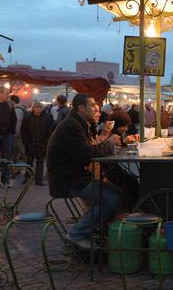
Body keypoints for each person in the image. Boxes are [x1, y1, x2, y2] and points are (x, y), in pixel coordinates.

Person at [46, 94, 121, 249]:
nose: (96, 109)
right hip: (68, 181)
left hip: (76, 177)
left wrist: (106, 141)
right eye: (93, 105)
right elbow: (86, 154)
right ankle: (77, 234)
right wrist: (109, 143)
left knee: (116, 189)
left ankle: (97, 231)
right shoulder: (71, 126)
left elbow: (89, 150)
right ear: (81, 108)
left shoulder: (79, 123)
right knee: (112, 197)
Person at [20, 101, 54, 185]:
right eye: (36, 107)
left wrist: (46, 143)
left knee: (40, 162)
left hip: (41, 144)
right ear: (33, 108)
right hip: (30, 144)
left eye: (39, 107)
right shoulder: (27, 118)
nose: (38, 109)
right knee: (29, 162)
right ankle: (27, 178)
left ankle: (38, 180)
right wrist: (26, 143)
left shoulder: (47, 118)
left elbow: (49, 131)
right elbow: (23, 132)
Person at [10, 95, 27, 162]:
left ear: (13, 101)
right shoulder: (21, 108)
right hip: (19, 133)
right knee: (15, 150)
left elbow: (18, 122)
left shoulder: (17, 110)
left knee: (20, 150)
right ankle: (16, 168)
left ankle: (28, 163)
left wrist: (16, 133)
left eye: (10, 101)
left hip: (17, 134)